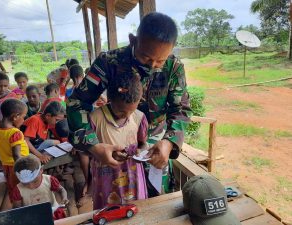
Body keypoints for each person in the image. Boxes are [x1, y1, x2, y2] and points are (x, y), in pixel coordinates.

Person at [67, 12, 192, 193]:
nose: (152, 66)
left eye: (160, 61)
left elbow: (181, 109)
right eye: (146, 58)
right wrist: (93, 145)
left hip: (156, 147)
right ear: (133, 40)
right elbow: (76, 103)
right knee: (120, 201)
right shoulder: (109, 63)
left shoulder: (173, 67)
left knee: (158, 198)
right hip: (115, 148)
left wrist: (169, 142)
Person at [89, 71, 148, 209]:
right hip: (106, 177)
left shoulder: (139, 117)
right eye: (121, 111)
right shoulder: (95, 118)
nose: (127, 115)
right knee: (108, 211)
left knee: (135, 209)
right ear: (110, 99)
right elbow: (87, 149)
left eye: (131, 111)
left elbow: (143, 143)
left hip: (133, 176)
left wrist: (142, 151)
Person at [0, 99, 29, 200]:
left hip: (6, 165)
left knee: (12, 187)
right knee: (19, 189)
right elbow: (16, 155)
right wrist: (22, 172)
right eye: (23, 117)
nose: (23, 120)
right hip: (17, 166)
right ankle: (18, 207)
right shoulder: (14, 133)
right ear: (15, 116)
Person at [12, 154, 68, 220]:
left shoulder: (49, 180)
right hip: (32, 217)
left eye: (35, 181)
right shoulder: (18, 190)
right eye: (25, 184)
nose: (31, 186)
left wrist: (64, 198)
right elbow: (17, 209)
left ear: (41, 170)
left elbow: (61, 190)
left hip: (52, 212)